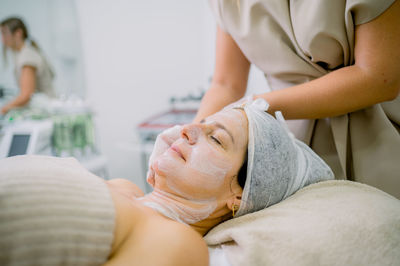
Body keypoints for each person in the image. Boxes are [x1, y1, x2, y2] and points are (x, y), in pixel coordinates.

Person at [0, 99, 333, 265]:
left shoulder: (180, 246)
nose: (187, 129)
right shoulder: (125, 188)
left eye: (215, 139)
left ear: (240, 194)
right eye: (200, 123)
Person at [191, 0, 400, 198]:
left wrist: (255, 106)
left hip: (380, 137)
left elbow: (380, 77)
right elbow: (226, 84)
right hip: (292, 149)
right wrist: (193, 133)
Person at [0, 17, 55, 115]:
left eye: (4, 33)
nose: (2, 39)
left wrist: (3, 109)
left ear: (18, 33)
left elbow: (26, 94)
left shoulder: (27, 56)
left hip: (46, 111)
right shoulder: (25, 53)